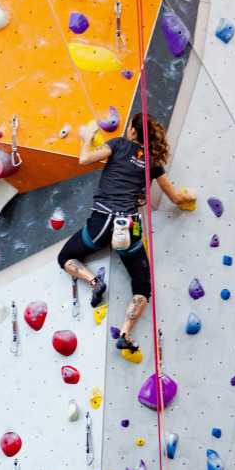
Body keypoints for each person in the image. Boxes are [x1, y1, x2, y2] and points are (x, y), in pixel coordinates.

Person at [57, 112, 195, 353]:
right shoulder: (154, 163)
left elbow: (85, 159)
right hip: (128, 227)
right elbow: (174, 197)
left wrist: (86, 137)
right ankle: (124, 334)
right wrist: (190, 195)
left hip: (101, 223)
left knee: (65, 258)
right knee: (142, 288)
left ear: (132, 131)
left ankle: (94, 282)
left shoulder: (118, 145)